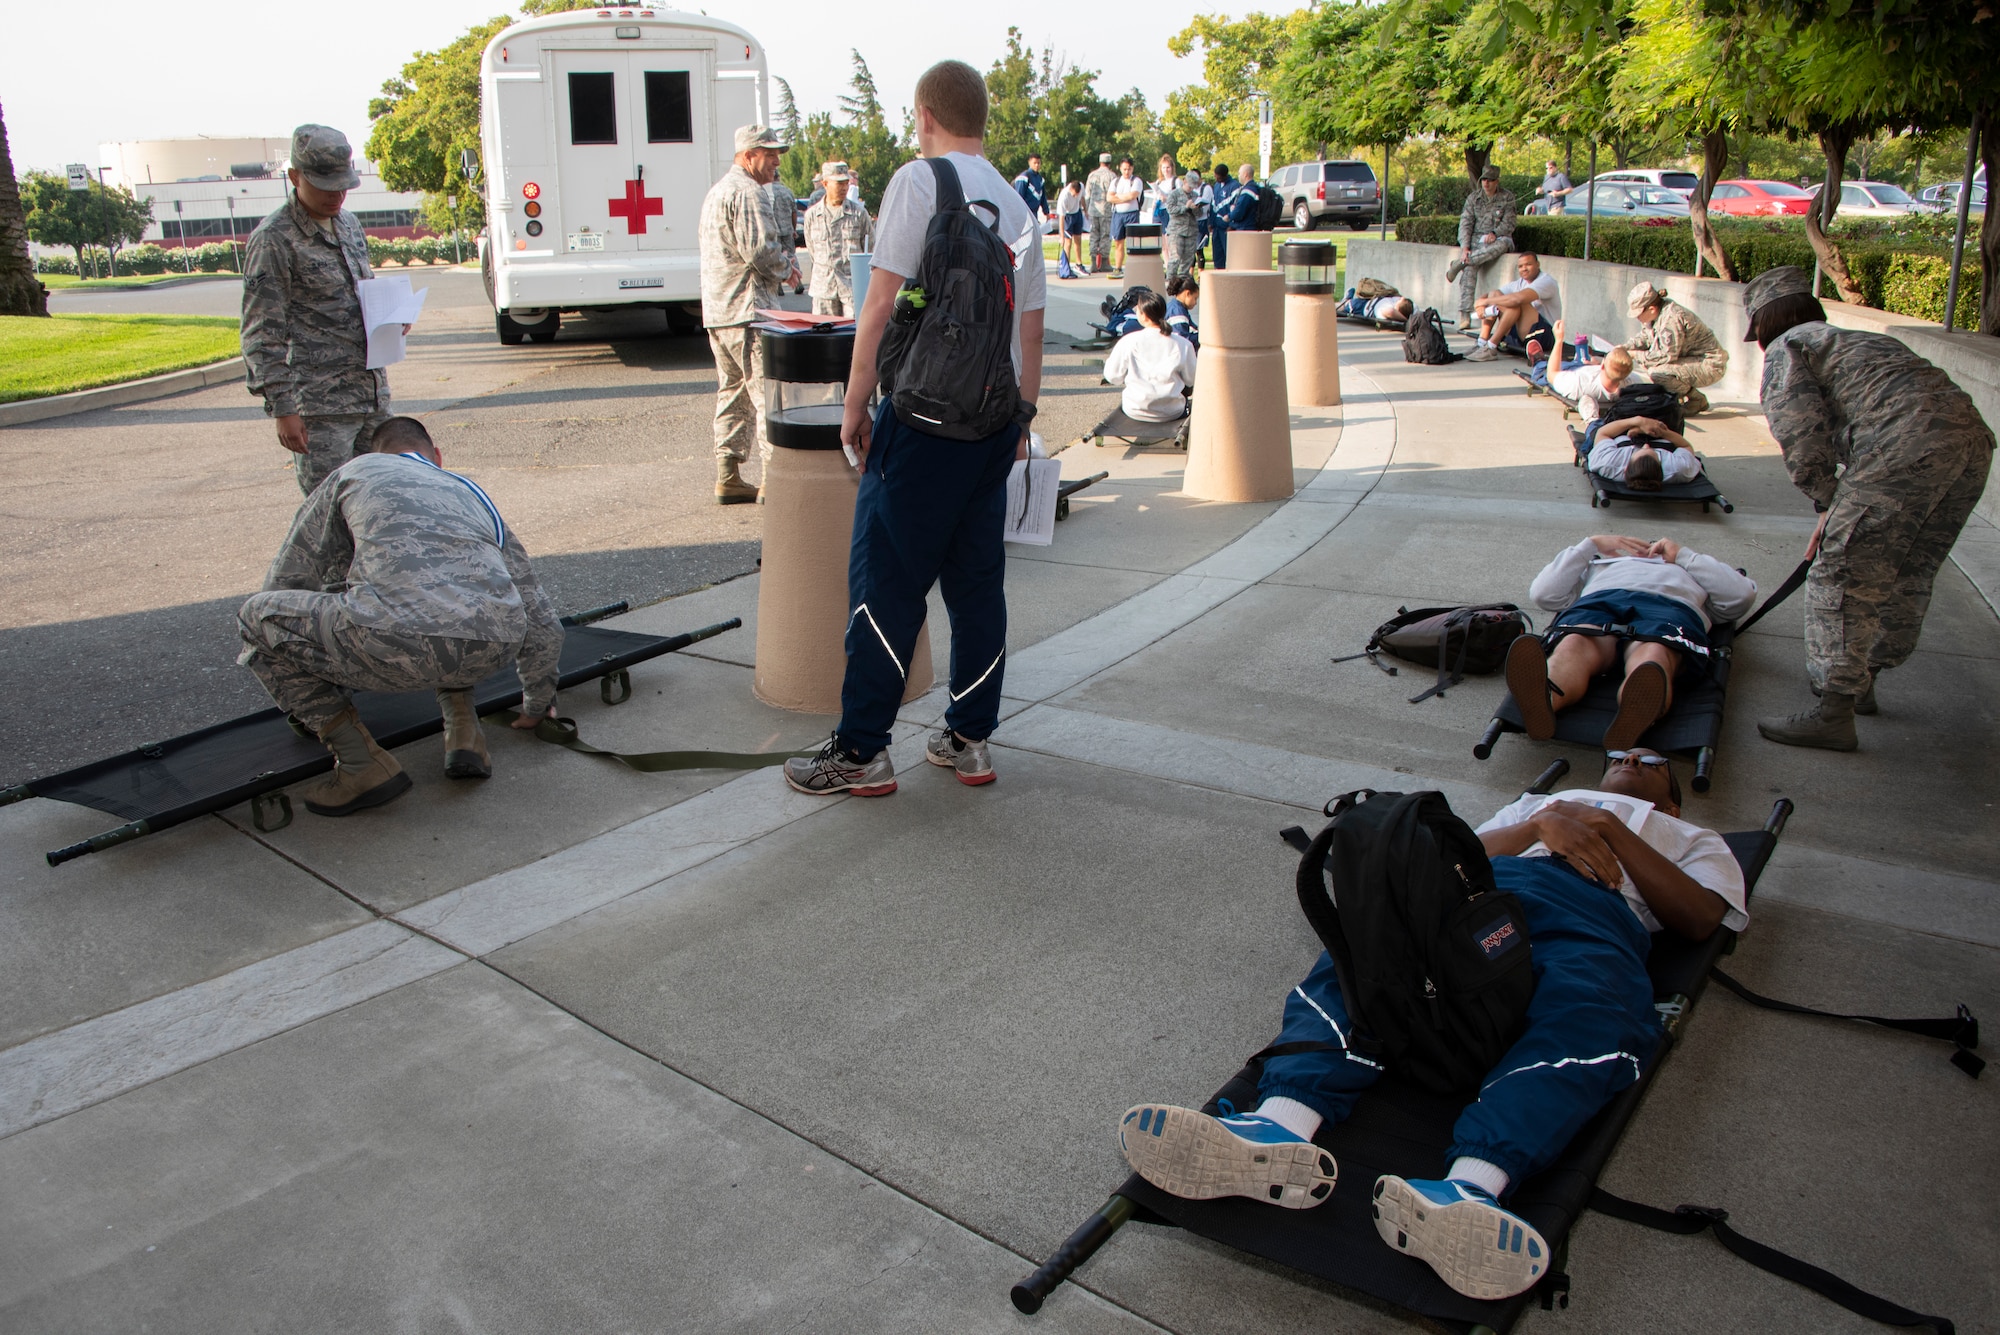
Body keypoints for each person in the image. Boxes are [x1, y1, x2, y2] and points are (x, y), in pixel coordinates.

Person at [1118, 749, 1748, 1301]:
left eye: (1649, 760)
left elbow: (1698, 921)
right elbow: (1446, 857)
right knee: (1369, 952)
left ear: (1674, 796)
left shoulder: (1693, 840)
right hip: (1485, 901)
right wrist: (1541, 822)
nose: (1630, 761)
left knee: (1592, 1015)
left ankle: (1469, 1192)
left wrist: (1606, 823)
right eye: (1619, 755)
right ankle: (1277, 1125)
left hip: (1593, 926)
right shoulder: (1541, 803)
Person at [782, 59, 1045, 798]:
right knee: (977, 588)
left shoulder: (919, 181)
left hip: (921, 425)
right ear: (982, 120)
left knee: (885, 585)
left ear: (925, 116)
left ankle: (861, 749)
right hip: (990, 429)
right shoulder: (1018, 208)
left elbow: (880, 304)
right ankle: (970, 737)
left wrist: (855, 403)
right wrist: (1019, 421)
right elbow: (1031, 333)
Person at [236, 417, 563, 816]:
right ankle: (464, 733)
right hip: (493, 648)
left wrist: (308, 675)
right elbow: (541, 618)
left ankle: (361, 765)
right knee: (450, 600)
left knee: (256, 616)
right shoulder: (470, 491)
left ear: (375, 454)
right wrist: (536, 703)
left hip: (393, 642)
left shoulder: (354, 472)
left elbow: (289, 579)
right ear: (437, 457)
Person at [1742, 265, 1997, 750]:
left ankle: (1834, 710)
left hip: (1902, 447)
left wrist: (1825, 502)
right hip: (1970, 444)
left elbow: (1800, 433)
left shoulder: (1790, 347)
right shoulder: (1854, 340)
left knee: (1842, 572)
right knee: (1907, 567)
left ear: (1766, 322)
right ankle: (1864, 683)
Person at [241, 125, 392, 499]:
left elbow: (362, 292)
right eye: (326, 187)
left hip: (370, 396)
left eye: (344, 186)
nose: (337, 196)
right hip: (320, 407)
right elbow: (262, 332)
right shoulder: (274, 239)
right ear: (294, 177)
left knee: (380, 506)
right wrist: (282, 408)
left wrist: (390, 318)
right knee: (330, 514)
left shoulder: (349, 225)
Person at [1505, 533, 1756, 750]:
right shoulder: (1599, 565)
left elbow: (1740, 596)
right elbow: (1543, 593)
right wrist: (1590, 545)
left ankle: (1635, 711)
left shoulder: (1693, 570)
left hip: (1670, 607)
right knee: (1574, 645)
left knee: (1654, 656)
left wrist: (1683, 556)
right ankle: (1544, 702)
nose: (1649, 550)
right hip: (1601, 601)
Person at [699, 125, 796, 505]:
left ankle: (729, 474)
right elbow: (760, 250)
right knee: (764, 393)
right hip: (749, 309)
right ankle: (775, 481)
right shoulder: (748, 192)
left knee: (732, 391)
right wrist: (787, 267)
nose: (775, 162)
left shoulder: (718, 191)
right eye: (768, 154)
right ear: (747, 155)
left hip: (720, 311)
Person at [1621, 282, 1727, 415]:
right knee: (1654, 367)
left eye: (1638, 313)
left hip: (1710, 364)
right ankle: (1678, 397)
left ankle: (1696, 399)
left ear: (1652, 308)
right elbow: (1645, 338)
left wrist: (1635, 355)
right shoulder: (1654, 316)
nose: (1637, 317)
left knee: (1658, 373)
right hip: (1691, 359)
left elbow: (1665, 356)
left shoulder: (1671, 318)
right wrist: (1623, 348)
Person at [1102, 290, 1197, 422]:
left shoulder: (1128, 341)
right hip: (1172, 410)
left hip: (1135, 409)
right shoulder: (1183, 344)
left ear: (1143, 316)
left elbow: (1113, 377)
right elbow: (1191, 380)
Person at [1445, 166, 1518, 334]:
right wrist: (1465, 247)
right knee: (1470, 268)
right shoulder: (1474, 198)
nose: (1486, 183)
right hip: (1477, 242)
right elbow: (1465, 223)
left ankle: (1459, 264)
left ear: (1497, 181)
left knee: (1501, 245)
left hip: (1499, 238)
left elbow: (1510, 223)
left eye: (1490, 180)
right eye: (1484, 180)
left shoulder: (1507, 197)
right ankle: (1465, 313)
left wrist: (1495, 233)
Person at [802, 160, 873, 317]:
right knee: (823, 337)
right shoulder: (813, 216)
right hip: (823, 289)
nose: (844, 188)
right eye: (839, 183)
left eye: (846, 183)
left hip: (852, 288)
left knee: (853, 337)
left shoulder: (859, 213)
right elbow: (812, 251)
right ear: (825, 183)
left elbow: (870, 248)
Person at [1466, 252, 1559, 362]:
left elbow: (1517, 299)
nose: (1524, 269)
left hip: (1544, 336)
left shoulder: (1546, 281)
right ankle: (1482, 343)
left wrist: (1485, 301)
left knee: (1516, 301)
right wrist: (1480, 305)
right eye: (1520, 266)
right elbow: (1490, 295)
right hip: (1522, 334)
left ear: (1538, 265)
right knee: (1495, 294)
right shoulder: (1519, 283)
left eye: (1528, 264)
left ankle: (1491, 347)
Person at [1586, 415, 1703, 490]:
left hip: (1619, 432)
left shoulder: (1609, 463)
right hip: (1661, 433)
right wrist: (1659, 431)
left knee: (1595, 427)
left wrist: (1637, 421)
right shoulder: (1679, 469)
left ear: (1627, 465)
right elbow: (1685, 445)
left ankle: (1592, 417)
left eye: (1639, 450)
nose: (1646, 445)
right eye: (1653, 452)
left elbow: (1603, 433)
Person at [1537, 345, 1634, 424]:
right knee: (1584, 360)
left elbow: (1551, 375)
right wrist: (1595, 365)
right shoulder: (1631, 382)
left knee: (1542, 371)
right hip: (1592, 369)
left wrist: (1558, 339)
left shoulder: (1579, 383)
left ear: (1603, 365)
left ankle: (1537, 360)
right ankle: (1582, 358)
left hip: (1570, 371)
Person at [1159, 162, 1199, 280]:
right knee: (1175, 258)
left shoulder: (1195, 195)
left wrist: (1196, 208)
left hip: (1191, 230)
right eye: (1189, 185)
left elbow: (1199, 214)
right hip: (1177, 230)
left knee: (1188, 259)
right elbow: (1170, 210)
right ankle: (1170, 281)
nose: (1191, 188)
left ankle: (1183, 282)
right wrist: (1185, 207)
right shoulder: (1174, 194)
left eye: (1193, 186)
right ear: (1184, 181)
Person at [1108, 157, 1144, 274]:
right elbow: (1109, 197)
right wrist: (1123, 197)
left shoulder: (1136, 181)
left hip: (1132, 214)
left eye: (1128, 169)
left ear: (1132, 168)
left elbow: (1132, 196)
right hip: (1118, 214)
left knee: (1132, 243)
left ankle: (1133, 267)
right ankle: (1118, 268)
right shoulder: (1116, 182)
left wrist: (1118, 197)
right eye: (1124, 169)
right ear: (1120, 168)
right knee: (1118, 242)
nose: (1126, 172)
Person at [1086, 153, 1116, 272]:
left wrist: (1088, 208)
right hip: (1106, 210)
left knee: (1093, 235)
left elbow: (1087, 194)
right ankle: (1104, 262)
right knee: (1105, 235)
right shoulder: (1112, 176)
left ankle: (1093, 262)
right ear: (1110, 163)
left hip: (1093, 209)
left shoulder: (1092, 175)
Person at [1206, 164, 1237, 268]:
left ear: (1224, 175)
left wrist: (1231, 224)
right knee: (1217, 256)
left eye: (1217, 176)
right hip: (1216, 227)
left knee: (1229, 255)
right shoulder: (1216, 186)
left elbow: (1235, 207)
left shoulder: (1234, 186)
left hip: (1226, 227)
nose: (1216, 178)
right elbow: (1213, 204)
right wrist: (1211, 222)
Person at [1057, 177, 1087, 269]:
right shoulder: (1064, 196)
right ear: (1071, 189)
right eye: (1074, 195)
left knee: (1078, 239)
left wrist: (1085, 210)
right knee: (1068, 242)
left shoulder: (1081, 186)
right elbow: (1061, 218)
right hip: (1068, 216)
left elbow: (1082, 198)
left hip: (1077, 213)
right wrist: (1061, 236)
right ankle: (1066, 266)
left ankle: (1079, 264)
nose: (1075, 197)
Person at [1164, 273, 1200, 347]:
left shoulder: (1176, 307)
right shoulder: (1177, 313)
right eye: (1195, 298)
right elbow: (1182, 339)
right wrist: (1202, 337)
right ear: (1188, 293)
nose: (1196, 303)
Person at [1013, 153, 1049, 222]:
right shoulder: (1023, 178)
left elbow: (1043, 198)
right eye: (1034, 163)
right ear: (1029, 163)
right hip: (1025, 213)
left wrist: (1046, 213)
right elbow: (1019, 197)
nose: (1037, 165)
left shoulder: (1040, 179)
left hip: (1034, 213)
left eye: (1038, 163)